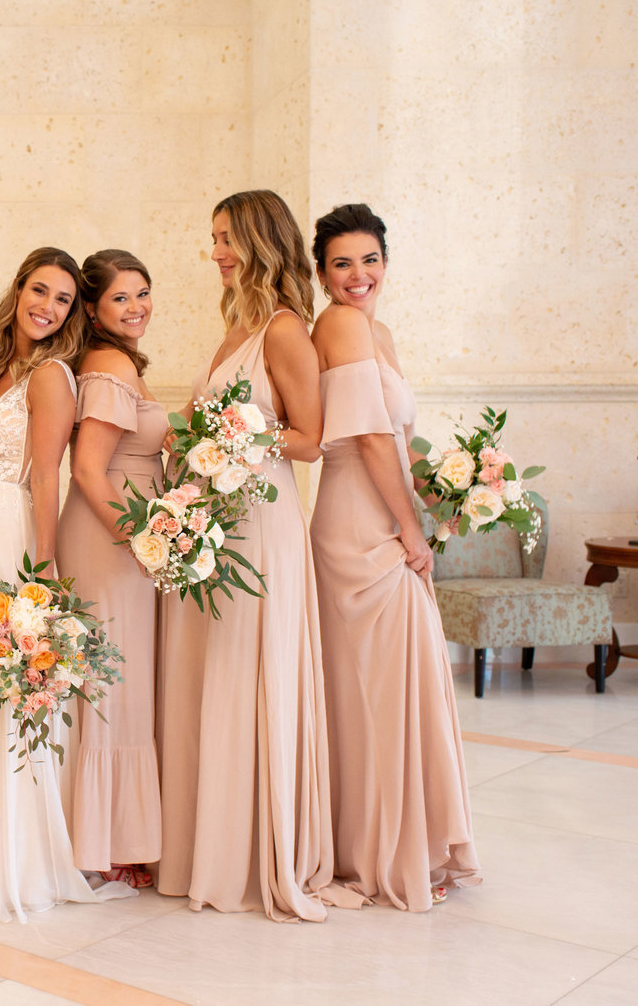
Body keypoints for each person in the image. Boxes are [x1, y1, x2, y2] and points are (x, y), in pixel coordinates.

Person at [0, 247, 134, 922]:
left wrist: (40, 579)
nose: (48, 306)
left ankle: (5, 854)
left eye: (64, 300)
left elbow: (48, 479)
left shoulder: (50, 378)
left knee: (0, 690)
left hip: (7, 531)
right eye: (40, 291)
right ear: (17, 292)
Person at [156, 190, 342, 923]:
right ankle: (211, 843)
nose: (216, 252)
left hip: (261, 521)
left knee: (248, 671)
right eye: (212, 239)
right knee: (213, 675)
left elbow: (310, 437)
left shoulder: (287, 330)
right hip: (213, 523)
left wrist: (232, 441)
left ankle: (254, 850)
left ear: (261, 240)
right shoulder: (236, 326)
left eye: (227, 238)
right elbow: (210, 416)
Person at [307, 203, 481, 910]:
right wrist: (411, 531)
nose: (359, 275)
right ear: (322, 274)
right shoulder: (341, 324)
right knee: (376, 692)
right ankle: (381, 851)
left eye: (370, 259)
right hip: (358, 526)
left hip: (389, 510)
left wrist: (451, 491)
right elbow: (372, 440)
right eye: (342, 263)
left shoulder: (379, 330)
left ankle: (403, 840)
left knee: (394, 686)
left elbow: (402, 440)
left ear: (386, 262)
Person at [54, 249, 165, 888]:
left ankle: (114, 834)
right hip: (109, 539)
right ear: (92, 310)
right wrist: (139, 538)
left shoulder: (121, 362)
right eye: (121, 298)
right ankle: (99, 845)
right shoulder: (108, 364)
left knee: (116, 684)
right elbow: (88, 470)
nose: (136, 306)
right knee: (109, 686)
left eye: (143, 293)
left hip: (125, 536)